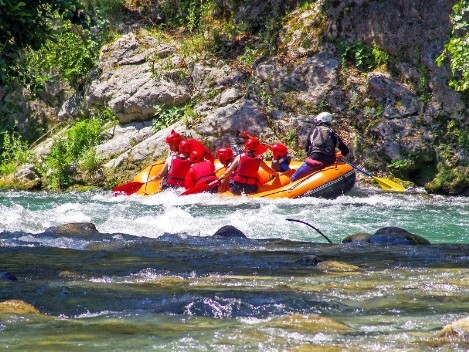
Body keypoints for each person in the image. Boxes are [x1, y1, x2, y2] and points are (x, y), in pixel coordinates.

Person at [290, 112, 349, 182]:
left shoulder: (313, 132)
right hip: (328, 163)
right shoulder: (333, 135)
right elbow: (345, 151)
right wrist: (338, 155)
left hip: (313, 162)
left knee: (293, 178)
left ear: (320, 121)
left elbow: (306, 149)